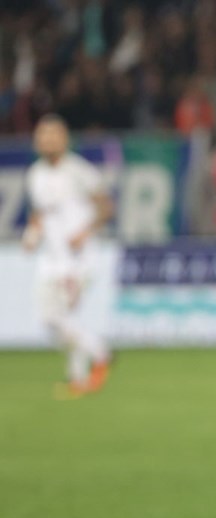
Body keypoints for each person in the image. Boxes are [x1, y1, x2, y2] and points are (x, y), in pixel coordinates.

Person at [21, 114, 113, 399]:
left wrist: (84, 232)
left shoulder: (80, 171)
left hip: (78, 259)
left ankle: (99, 354)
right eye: (42, 135)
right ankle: (80, 376)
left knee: (58, 317)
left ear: (64, 139)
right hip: (50, 258)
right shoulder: (35, 174)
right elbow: (40, 214)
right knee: (56, 320)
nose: (47, 140)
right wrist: (32, 235)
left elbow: (106, 208)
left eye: (52, 135)